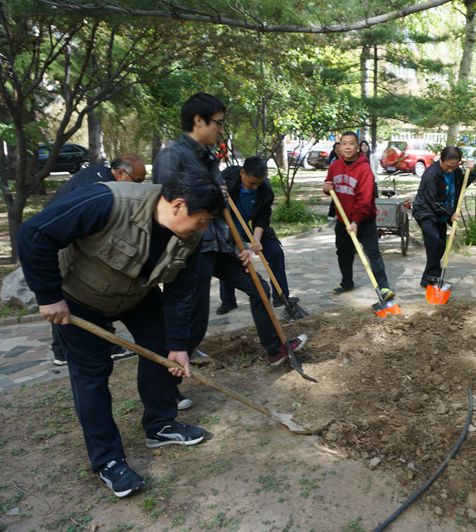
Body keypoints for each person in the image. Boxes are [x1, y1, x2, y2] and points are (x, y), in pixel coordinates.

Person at [17, 174, 226, 498]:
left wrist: (178, 345)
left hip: (137, 295)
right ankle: (108, 461)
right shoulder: (108, 203)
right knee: (92, 375)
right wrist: (47, 295)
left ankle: (160, 424)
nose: (203, 228)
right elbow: (35, 233)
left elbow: (180, 292)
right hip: (80, 299)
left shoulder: (190, 236)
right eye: (202, 221)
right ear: (179, 205)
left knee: (160, 351)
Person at [154, 93, 307, 367]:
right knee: (195, 317)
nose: (221, 129)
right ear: (198, 121)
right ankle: (169, 383)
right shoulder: (172, 157)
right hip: (192, 249)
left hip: (220, 244)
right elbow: (167, 210)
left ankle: (275, 349)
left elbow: (220, 211)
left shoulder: (209, 158)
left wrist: (241, 247)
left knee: (260, 287)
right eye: (218, 123)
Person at [48, 155, 147, 366]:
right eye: (137, 181)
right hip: (59, 237)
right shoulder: (99, 186)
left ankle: (61, 351)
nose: (139, 187)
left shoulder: (101, 175)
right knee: (76, 291)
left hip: (65, 235)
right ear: (120, 172)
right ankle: (96, 347)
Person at [216, 156, 298, 314]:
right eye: (252, 183)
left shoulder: (265, 190)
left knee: (275, 252)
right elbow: (210, 190)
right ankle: (228, 301)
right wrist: (218, 193)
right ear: (242, 173)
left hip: (253, 223)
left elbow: (263, 217)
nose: (255, 187)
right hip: (230, 222)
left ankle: (281, 297)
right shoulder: (227, 178)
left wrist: (256, 240)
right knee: (227, 256)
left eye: (258, 183)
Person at [323, 131, 394, 301]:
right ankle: (347, 283)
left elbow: (365, 199)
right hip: (342, 220)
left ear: (357, 147)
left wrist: (356, 221)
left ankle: (383, 288)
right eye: (344, 143)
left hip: (364, 220)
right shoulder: (335, 166)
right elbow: (329, 186)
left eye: (351, 143)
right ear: (339, 146)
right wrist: (326, 188)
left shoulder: (364, 169)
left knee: (372, 253)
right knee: (343, 252)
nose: (347, 147)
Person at [412, 147, 475, 287]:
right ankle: (433, 277)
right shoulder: (431, 174)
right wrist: (450, 214)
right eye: (448, 166)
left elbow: (465, 182)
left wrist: (472, 170)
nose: (451, 169)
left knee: (440, 246)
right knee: (434, 240)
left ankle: (427, 279)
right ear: (441, 160)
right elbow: (433, 202)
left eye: (455, 165)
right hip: (426, 211)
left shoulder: (455, 171)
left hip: (442, 213)